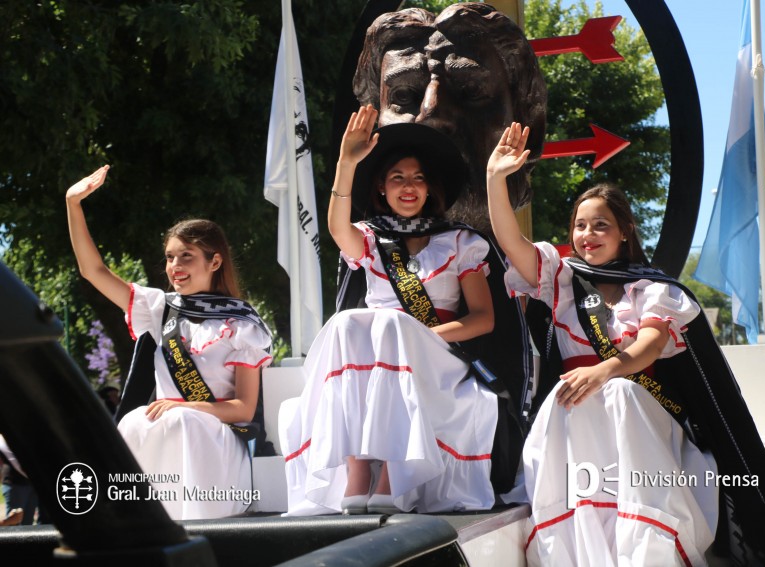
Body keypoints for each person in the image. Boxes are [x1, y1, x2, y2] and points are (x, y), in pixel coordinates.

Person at [487, 124, 765, 566]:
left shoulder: (650, 289)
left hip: (639, 417)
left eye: (601, 225)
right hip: (575, 420)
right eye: (580, 226)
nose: (588, 235)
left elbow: (649, 345)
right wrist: (496, 178)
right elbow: (510, 242)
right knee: (578, 401)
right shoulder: (561, 279)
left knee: (619, 392)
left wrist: (603, 371)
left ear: (625, 231)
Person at [282, 105, 501, 516]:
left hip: (436, 356)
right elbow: (336, 231)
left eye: (418, 178)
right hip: (374, 350)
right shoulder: (370, 239)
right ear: (381, 188)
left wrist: (419, 336)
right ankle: (358, 467)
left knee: (392, 327)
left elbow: (482, 319)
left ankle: (393, 472)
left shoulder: (458, 242)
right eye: (397, 178)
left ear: (430, 188)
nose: (408, 186)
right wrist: (347, 163)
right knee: (347, 323)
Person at [66, 166, 272, 520]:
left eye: (186, 256)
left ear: (215, 261)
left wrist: (185, 408)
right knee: (132, 422)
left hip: (215, 440)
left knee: (182, 424)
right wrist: (73, 204)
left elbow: (242, 409)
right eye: (170, 257)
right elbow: (93, 271)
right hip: (165, 428)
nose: (174, 266)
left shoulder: (241, 323)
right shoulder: (157, 307)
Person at [353, 3, 547, 232]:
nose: (431, 114)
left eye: (471, 89)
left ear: (530, 128)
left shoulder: (548, 267)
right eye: (403, 95)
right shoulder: (364, 255)